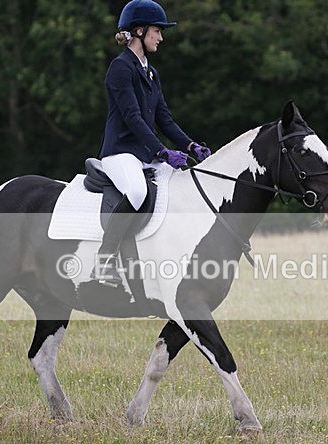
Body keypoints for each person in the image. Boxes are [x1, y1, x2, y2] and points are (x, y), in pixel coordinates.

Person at [95, 0, 212, 286]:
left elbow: (165, 119)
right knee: (136, 191)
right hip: (121, 153)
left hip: (146, 154)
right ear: (139, 30)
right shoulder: (120, 68)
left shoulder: (151, 72)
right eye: (157, 31)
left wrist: (189, 146)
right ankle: (104, 260)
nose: (161, 37)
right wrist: (161, 151)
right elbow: (133, 118)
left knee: (180, 187)